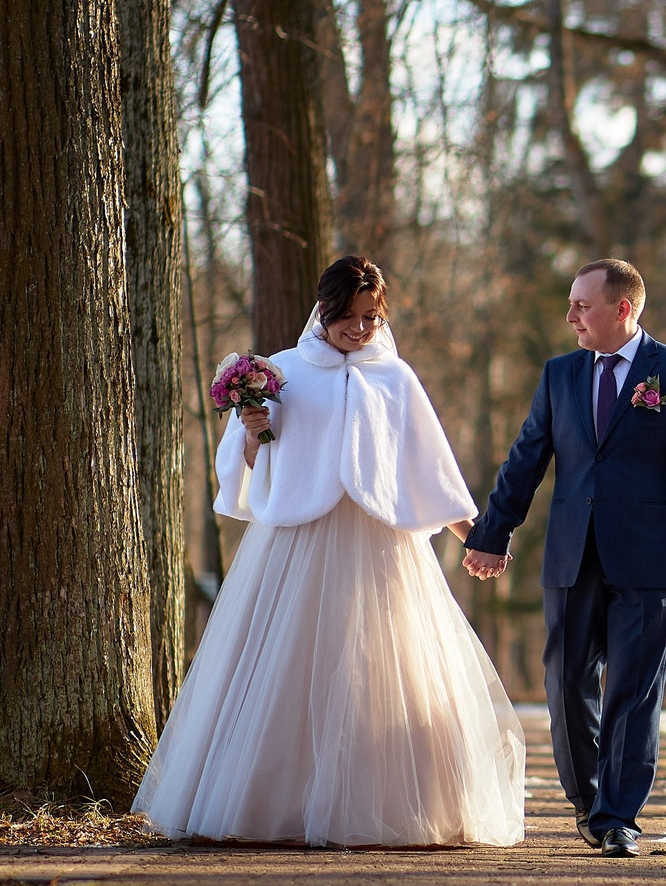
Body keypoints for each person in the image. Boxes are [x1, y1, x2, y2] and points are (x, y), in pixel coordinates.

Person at [134, 256, 526, 847]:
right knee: (287, 665)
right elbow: (249, 465)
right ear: (324, 310)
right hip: (297, 545)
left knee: (380, 668)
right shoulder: (283, 373)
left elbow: (429, 469)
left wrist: (477, 538)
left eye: (370, 317)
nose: (359, 329)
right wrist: (252, 431)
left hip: (380, 547)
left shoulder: (396, 379)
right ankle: (272, 804)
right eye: (348, 316)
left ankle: (386, 803)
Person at [464, 258, 666, 857]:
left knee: (634, 690)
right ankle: (588, 801)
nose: (571, 316)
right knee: (566, 684)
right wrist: (492, 533)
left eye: (583, 305)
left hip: (650, 560)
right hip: (571, 555)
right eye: (571, 304)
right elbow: (526, 458)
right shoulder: (560, 374)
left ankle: (618, 817)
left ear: (622, 308)